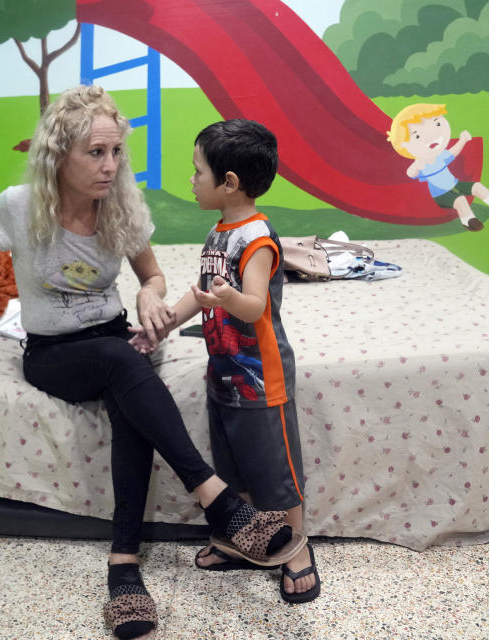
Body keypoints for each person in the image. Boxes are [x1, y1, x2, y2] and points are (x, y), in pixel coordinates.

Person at [0, 86, 303, 640]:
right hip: (52, 355)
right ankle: (219, 502)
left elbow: (154, 276)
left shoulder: (121, 205)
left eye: (116, 152)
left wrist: (149, 296)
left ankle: (124, 567)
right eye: (95, 153)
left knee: (129, 400)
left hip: (114, 342)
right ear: (57, 154)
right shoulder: (16, 207)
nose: (110, 166)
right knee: (124, 365)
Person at [128, 119, 320, 604]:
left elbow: (254, 306)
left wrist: (228, 297)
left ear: (228, 183)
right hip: (225, 374)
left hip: (262, 379)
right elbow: (200, 294)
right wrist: (164, 322)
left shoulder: (255, 237)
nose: (190, 181)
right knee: (234, 463)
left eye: (197, 172)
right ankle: (246, 538)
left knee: (275, 469)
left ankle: (296, 549)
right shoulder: (219, 232)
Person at [387, 104, 489, 231]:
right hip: (440, 194)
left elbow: (453, 153)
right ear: (404, 145)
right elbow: (410, 173)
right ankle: (468, 220)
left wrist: (462, 140)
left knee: (476, 186)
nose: (432, 136)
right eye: (417, 136)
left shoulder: (439, 156)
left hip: (455, 183)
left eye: (437, 124)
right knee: (460, 200)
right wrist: (416, 166)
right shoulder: (421, 163)